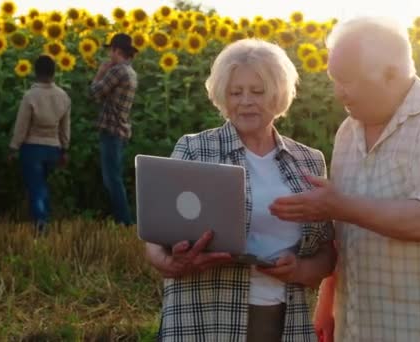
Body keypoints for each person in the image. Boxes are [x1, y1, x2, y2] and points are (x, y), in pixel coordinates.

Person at [268, 17, 420, 342]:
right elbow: (345, 234)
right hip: (357, 323)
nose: (337, 90)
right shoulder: (348, 133)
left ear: (392, 74)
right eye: (333, 79)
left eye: (348, 80)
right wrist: (327, 301)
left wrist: (338, 205)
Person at [145, 39, 336, 341]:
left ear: (278, 94)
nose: (246, 100)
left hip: (284, 318)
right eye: (236, 92)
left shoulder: (308, 161)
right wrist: (171, 263)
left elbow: (327, 251)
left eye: (257, 91)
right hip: (206, 316)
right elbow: (156, 236)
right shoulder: (195, 149)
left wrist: (299, 269)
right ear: (223, 96)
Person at [9, 55, 71, 235]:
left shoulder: (30, 96)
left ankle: (41, 223)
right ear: (54, 73)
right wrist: (65, 149)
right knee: (42, 185)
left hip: (32, 148)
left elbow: (22, 126)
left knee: (36, 186)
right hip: (53, 148)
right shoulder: (63, 96)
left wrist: (13, 147)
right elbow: (65, 127)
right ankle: (42, 219)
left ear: (35, 73)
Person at [90, 33, 138, 226]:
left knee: (112, 179)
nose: (109, 55)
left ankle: (124, 221)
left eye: (111, 50)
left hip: (111, 130)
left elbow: (94, 93)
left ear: (117, 51)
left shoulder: (117, 71)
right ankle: (123, 220)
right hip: (121, 130)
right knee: (114, 177)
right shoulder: (131, 72)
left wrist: (100, 72)